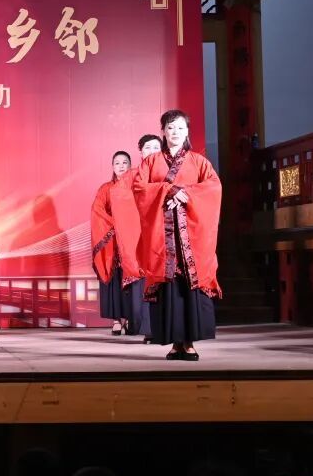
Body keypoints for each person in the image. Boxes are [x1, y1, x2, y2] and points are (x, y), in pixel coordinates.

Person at [134, 109, 222, 360]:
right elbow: (140, 188)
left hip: (191, 237)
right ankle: (175, 344)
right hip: (163, 238)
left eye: (181, 127)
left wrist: (187, 194)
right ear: (163, 131)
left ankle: (190, 343)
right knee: (169, 288)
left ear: (187, 131)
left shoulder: (198, 161)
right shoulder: (151, 162)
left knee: (189, 286)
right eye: (171, 127)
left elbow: (213, 187)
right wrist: (168, 191)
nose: (175, 132)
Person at [91, 151, 149, 337]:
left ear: (130, 165)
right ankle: (116, 319)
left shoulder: (136, 187)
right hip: (113, 241)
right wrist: (116, 224)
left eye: (125, 162)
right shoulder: (106, 188)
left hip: (132, 240)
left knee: (132, 280)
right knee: (115, 279)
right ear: (112, 166)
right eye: (117, 163)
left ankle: (131, 317)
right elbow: (97, 210)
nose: (121, 166)